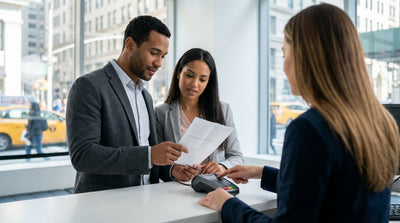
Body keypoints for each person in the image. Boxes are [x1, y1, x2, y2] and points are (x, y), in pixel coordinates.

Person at [198, 4, 400, 222]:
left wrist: (227, 204)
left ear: (305, 57)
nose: (284, 67)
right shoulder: (381, 122)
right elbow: (334, 190)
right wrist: (262, 173)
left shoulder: (310, 128)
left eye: (284, 54)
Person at [66, 15, 188, 193]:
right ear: (130, 45)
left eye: (163, 56)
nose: (159, 63)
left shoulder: (145, 96)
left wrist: (173, 170)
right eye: (154, 53)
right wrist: (149, 155)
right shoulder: (89, 86)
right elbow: (83, 156)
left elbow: (150, 158)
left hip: (146, 200)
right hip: (103, 206)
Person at [155, 48, 243, 182]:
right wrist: (173, 171)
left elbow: (237, 157)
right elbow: (157, 164)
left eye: (202, 79)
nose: (194, 84)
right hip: (176, 191)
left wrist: (221, 167)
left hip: (213, 189)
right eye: (189, 75)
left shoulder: (223, 110)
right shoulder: (161, 113)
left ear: (208, 82)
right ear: (179, 73)